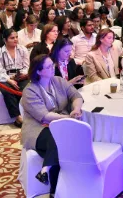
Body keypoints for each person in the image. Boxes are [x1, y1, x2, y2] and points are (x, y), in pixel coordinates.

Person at [20, 54, 84, 195]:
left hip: (60, 125)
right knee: (58, 140)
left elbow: (76, 96)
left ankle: (46, 172)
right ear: (38, 71)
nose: (53, 67)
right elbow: (44, 116)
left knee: (57, 145)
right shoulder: (30, 91)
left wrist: (76, 109)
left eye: (52, 65)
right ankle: (55, 189)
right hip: (37, 129)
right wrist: (68, 117)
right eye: (48, 67)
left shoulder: (58, 81)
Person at [0, 29, 31, 127]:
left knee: (28, 88)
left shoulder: (23, 49)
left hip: (21, 75)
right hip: (5, 78)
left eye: (16, 37)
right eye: (12, 38)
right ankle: (17, 117)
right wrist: (9, 80)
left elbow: (27, 66)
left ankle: (30, 114)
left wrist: (23, 74)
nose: (15, 40)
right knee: (7, 90)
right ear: (5, 40)